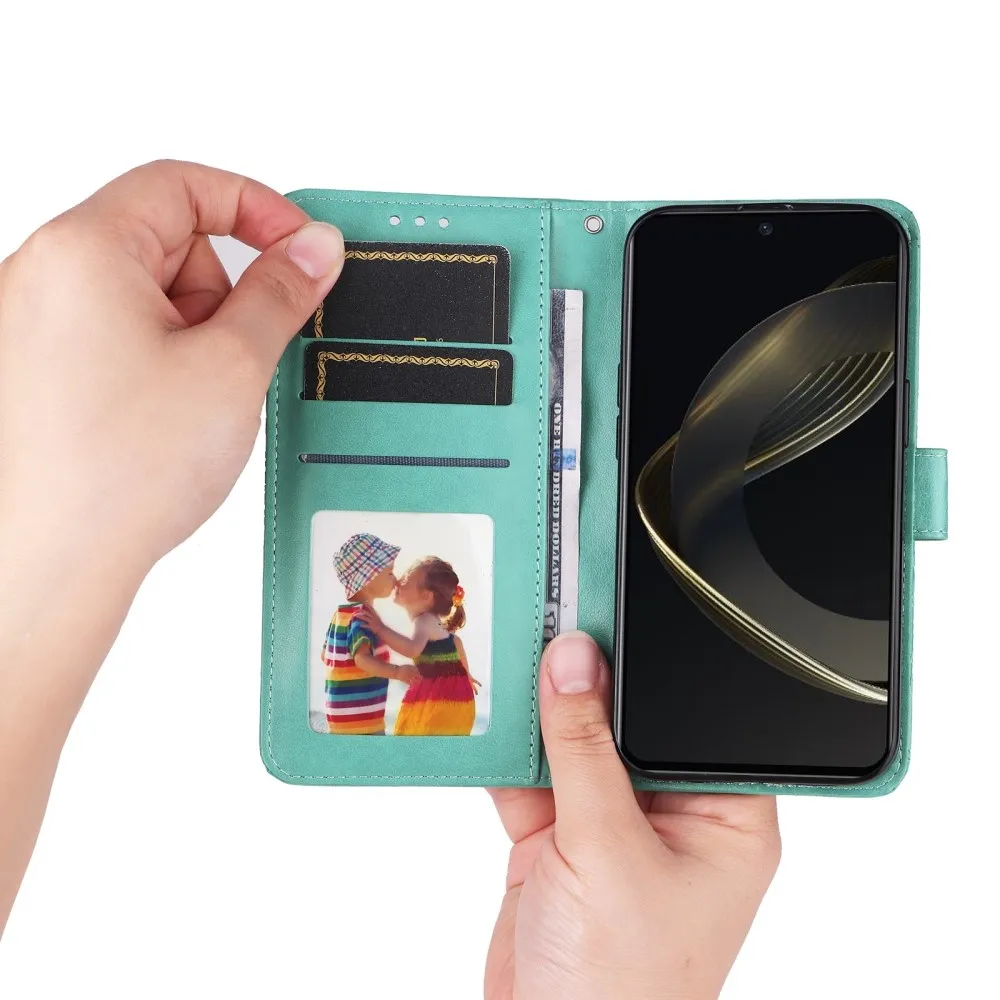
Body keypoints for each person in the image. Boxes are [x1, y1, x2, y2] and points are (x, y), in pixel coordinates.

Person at [0, 161, 780, 998]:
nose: (397, 585)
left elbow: (406, 659)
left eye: (403, 584)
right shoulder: (410, 622)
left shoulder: (418, 627)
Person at [361, 556, 481, 736]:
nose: (398, 582)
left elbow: (412, 649)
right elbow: (456, 642)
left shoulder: (424, 621)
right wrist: (466, 674)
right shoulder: (433, 622)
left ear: (426, 596)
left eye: (406, 580)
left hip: (440, 700)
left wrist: (380, 629)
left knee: (414, 739)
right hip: (457, 699)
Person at [323, 532, 417, 735]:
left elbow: (326, 656)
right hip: (361, 722)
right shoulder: (363, 618)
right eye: (389, 573)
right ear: (367, 579)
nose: (395, 579)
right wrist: (397, 672)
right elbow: (362, 659)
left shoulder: (340, 615)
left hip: (339, 719)